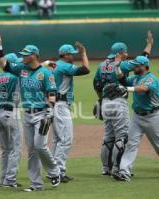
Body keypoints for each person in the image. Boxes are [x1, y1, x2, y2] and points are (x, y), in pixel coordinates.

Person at [0, 29, 61, 192]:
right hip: (27, 114)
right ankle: (36, 184)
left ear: (34, 55)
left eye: (26, 54)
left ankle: (54, 171)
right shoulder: (21, 69)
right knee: (31, 150)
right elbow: (4, 64)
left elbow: (52, 94)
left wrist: (49, 113)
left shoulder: (45, 73)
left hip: (42, 114)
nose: (23, 56)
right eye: (23, 54)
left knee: (40, 146)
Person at [93, 31, 153, 177]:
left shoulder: (101, 65)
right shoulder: (123, 65)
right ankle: (117, 169)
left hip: (105, 102)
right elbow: (142, 60)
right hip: (119, 102)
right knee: (122, 137)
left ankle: (105, 168)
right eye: (125, 52)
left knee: (108, 137)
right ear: (120, 52)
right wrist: (149, 44)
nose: (127, 54)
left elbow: (96, 84)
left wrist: (101, 99)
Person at [48, 42, 90, 182]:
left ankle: (52, 170)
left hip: (52, 104)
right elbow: (85, 70)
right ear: (65, 55)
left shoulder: (53, 65)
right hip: (60, 105)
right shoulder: (64, 66)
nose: (73, 56)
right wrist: (84, 53)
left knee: (57, 139)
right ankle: (58, 171)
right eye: (72, 54)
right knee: (66, 139)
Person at [113, 55, 159, 182]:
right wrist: (117, 67)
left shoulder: (151, 79)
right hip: (137, 117)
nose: (134, 67)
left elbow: (143, 88)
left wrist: (127, 89)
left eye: (137, 65)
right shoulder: (136, 78)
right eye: (134, 65)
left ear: (144, 66)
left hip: (153, 117)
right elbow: (122, 79)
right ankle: (124, 172)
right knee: (131, 145)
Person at [0, 53, 22, 188]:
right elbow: (17, 98)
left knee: (5, 150)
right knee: (16, 148)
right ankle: (10, 180)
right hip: (11, 113)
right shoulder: (16, 77)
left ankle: (3, 179)